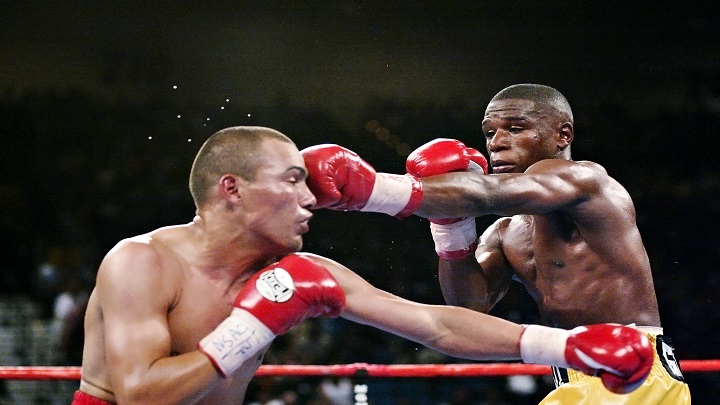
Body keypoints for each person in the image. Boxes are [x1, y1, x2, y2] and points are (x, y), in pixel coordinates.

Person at [75, 125, 654, 405]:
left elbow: (435, 324)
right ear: (233, 189)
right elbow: (139, 395)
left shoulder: (299, 268)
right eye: (292, 182)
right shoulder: (141, 262)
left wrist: (567, 347)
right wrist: (249, 329)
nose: (311, 200)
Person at [301, 84, 691, 404]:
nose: (497, 143)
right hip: (569, 375)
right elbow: (469, 308)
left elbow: (484, 194)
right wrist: (449, 226)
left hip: (635, 371)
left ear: (563, 135)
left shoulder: (587, 181)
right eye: (490, 132)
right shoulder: (506, 231)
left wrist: (373, 189)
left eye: (515, 128)